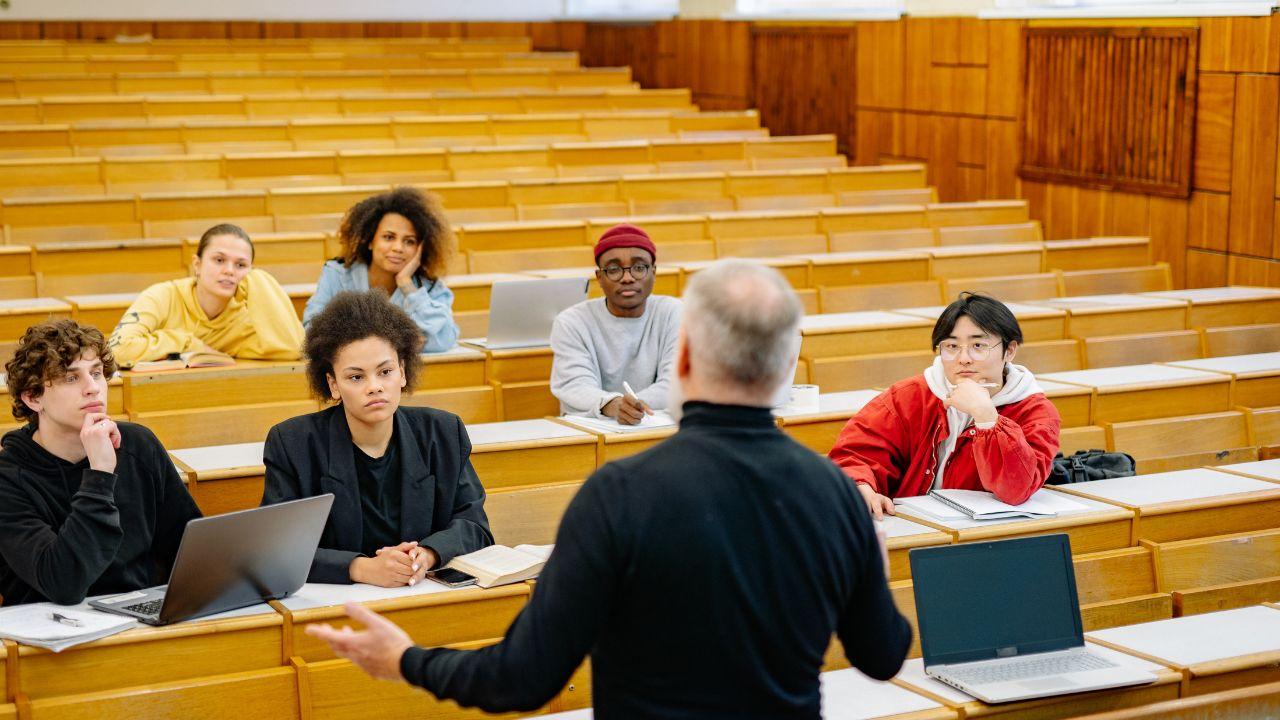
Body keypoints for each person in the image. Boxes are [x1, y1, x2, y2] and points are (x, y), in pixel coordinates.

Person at [305, 260, 912, 718]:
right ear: (786, 368)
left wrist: (406, 661)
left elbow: (523, 677)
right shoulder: (835, 494)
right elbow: (884, 656)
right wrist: (869, 561)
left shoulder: (620, 494)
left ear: (682, 361)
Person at [261, 290, 491, 587]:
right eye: (356, 377)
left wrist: (428, 554)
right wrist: (359, 568)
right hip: (335, 607)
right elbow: (277, 548)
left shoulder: (443, 432)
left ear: (403, 373)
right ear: (333, 384)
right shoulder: (292, 443)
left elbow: (475, 525)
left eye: (385, 372)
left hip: (420, 593)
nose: (375, 387)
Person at [0, 320, 201, 605]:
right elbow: (64, 583)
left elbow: (190, 548)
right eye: (71, 378)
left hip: (138, 622)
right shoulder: (8, 478)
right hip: (52, 636)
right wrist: (100, 476)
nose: (93, 388)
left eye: (96, 373)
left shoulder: (137, 445)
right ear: (33, 398)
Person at [828, 292, 1062, 518]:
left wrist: (987, 418)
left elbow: (1016, 489)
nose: (964, 358)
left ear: (1009, 351)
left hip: (985, 537)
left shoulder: (1036, 412)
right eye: (951, 347)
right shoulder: (910, 396)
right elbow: (857, 453)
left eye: (978, 346)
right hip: (912, 526)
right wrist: (859, 484)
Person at [109, 223, 304, 368]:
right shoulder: (162, 296)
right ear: (198, 264)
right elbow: (118, 351)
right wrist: (189, 343)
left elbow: (293, 350)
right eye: (219, 260)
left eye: (241, 265)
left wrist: (258, 279)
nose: (229, 270)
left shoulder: (246, 321)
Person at [549, 223, 680, 424]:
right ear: (599, 277)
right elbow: (574, 385)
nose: (627, 278)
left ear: (653, 272)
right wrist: (613, 405)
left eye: (639, 268)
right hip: (591, 428)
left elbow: (676, 382)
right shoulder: (572, 322)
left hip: (657, 425)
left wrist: (633, 407)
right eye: (613, 269)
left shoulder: (675, 313)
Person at [303, 187, 459, 354]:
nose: (398, 248)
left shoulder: (430, 287)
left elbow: (445, 340)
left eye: (409, 241)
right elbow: (312, 329)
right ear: (370, 241)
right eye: (388, 237)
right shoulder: (337, 274)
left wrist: (407, 285)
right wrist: (402, 340)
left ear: (420, 249)